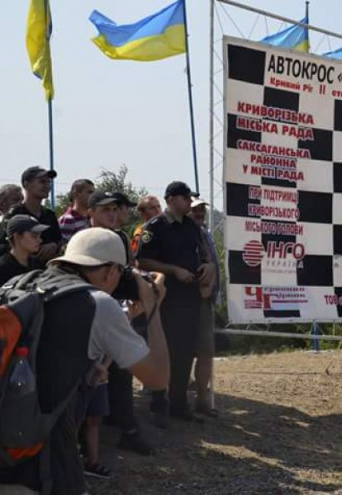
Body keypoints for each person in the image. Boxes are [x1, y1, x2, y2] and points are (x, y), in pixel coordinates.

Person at [0, 228, 170, 494]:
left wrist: (90, 368)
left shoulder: (19, 284)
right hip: (43, 456)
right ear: (111, 270)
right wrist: (154, 307)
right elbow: (158, 378)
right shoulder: (97, 303)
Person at [136, 181, 214, 425]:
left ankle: (179, 404)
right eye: (185, 198)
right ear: (171, 199)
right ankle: (159, 405)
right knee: (163, 352)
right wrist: (174, 270)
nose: (190, 202)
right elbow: (143, 262)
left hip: (190, 298)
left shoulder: (191, 226)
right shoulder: (155, 227)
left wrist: (208, 265)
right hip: (165, 300)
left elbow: (204, 252)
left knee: (184, 353)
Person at [86, 190, 154, 455]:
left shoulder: (121, 237)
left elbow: (127, 270)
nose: (112, 214)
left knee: (122, 372)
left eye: (115, 209)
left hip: (117, 311)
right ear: (91, 212)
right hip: (90, 316)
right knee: (90, 377)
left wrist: (136, 294)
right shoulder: (82, 240)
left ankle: (127, 428)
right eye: (106, 209)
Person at [187, 198, 222, 416]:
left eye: (202, 209)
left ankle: (203, 400)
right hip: (190, 300)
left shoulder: (204, 232)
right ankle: (178, 401)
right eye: (195, 210)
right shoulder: (186, 233)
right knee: (183, 353)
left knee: (206, 352)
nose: (200, 213)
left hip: (206, 300)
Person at [3, 167, 63, 263]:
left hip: (47, 269)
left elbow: (59, 240)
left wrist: (53, 245)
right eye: (42, 182)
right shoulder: (14, 213)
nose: (47, 186)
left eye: (49, 182)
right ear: (26, 184)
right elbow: (4, 245)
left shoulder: (49, 215)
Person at [0, 215, 47, 284]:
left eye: (40, 236)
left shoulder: (38, 264)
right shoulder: (2, 268)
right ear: (17, 237)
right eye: (34, 236)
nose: (40, 240)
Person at [58, 179, 94, 243]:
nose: (92, 196)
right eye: (89, 192)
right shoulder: (68, 219)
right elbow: (63, 246)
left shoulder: (92, 218)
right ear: (76, 194)